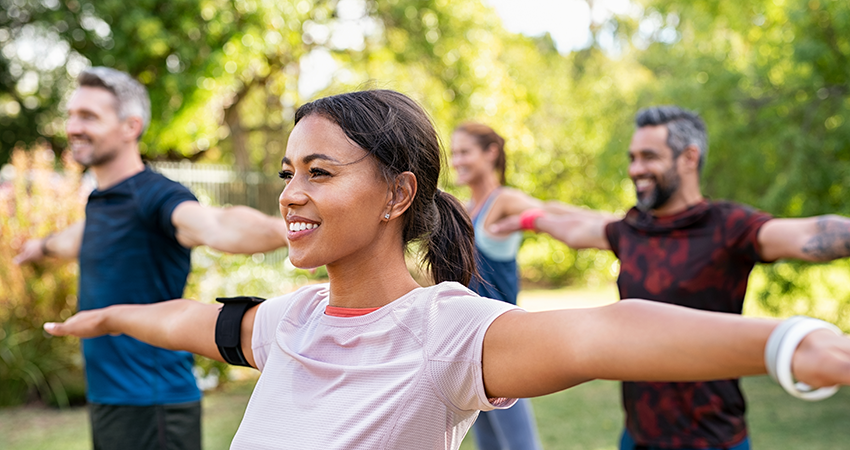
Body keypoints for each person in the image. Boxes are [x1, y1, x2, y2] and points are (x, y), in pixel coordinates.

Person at [42, 91, 850, 450]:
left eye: (319, 173)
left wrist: (788, 343)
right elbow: (188, 319)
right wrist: (109, 318)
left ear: (398, 192)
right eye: (288, 172)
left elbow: (609, 329)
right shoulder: (290, 323)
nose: (291, 194)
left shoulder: (445, 332)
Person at [491, 105, 850, 450]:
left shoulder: (728, 227)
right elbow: (575, 226)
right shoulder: (631, 228)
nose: (635, 168)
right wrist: (525, 220)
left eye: (649, 157)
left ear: (689, 158)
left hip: (710, 437)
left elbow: (808, 234)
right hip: (638, 436)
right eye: (633, 158)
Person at [14, 67, 288, 450]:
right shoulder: (102, 203)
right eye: (72, 114)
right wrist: (37, 249)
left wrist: (291, 231)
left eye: (89, 116)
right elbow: (74, 240)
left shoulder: (155, 197)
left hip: (153, 405)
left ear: (131, 126)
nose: (73, 126)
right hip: (110, 400)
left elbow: (216, 225)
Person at [450, 122, 544, 450]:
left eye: (464, 152)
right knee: (488, 445)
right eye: (453, 153)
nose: (456, 160)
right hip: (469, 347)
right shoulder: (463, 210)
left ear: (491, 153)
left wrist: (523, 221)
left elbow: (549, 213)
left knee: (521, 446)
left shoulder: (503, 201)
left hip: (504, 345)